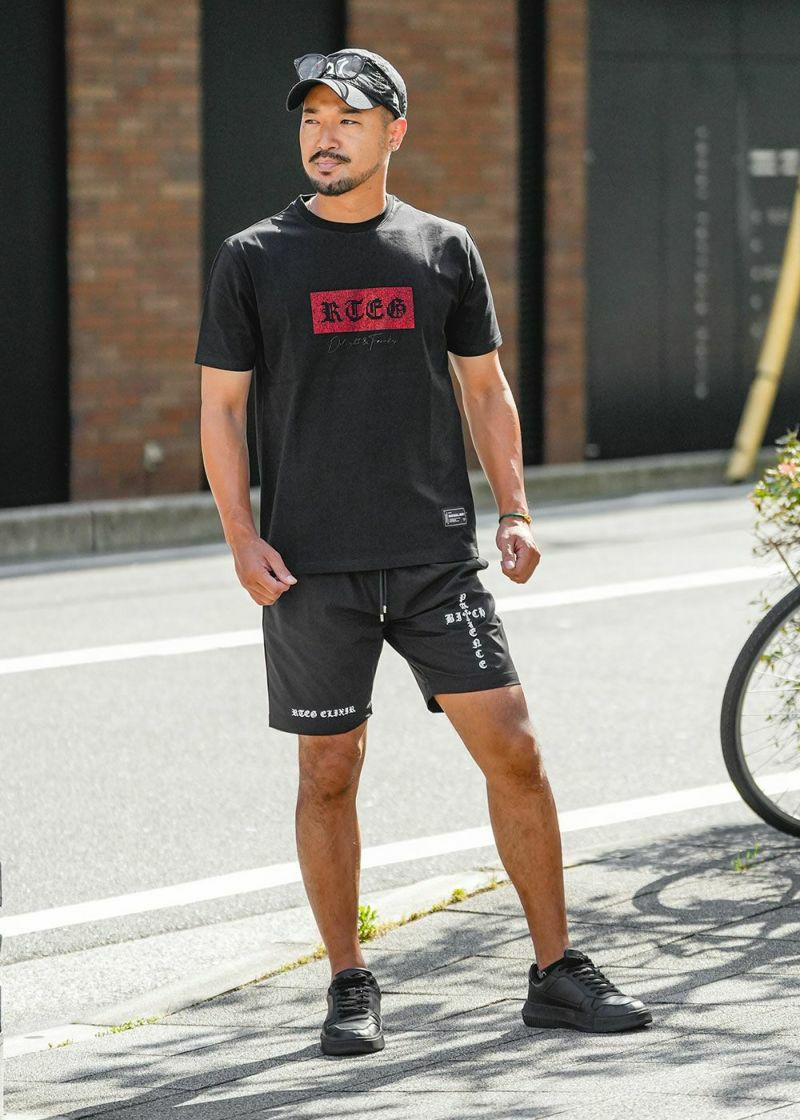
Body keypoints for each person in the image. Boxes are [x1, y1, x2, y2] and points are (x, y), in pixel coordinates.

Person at [195, 46, 652, 1057]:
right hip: (309, 565)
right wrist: (239, 534)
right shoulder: (253, 257)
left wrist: (515, 509)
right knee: (328, 770)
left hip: (433, 554)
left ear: (393, 133)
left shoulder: (441, 248)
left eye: (349, 120)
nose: (326, 136)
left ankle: (555, 971)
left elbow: (484, 387)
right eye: (312, 118)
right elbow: (221, 409)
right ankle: (347, 980)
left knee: (515, 751)